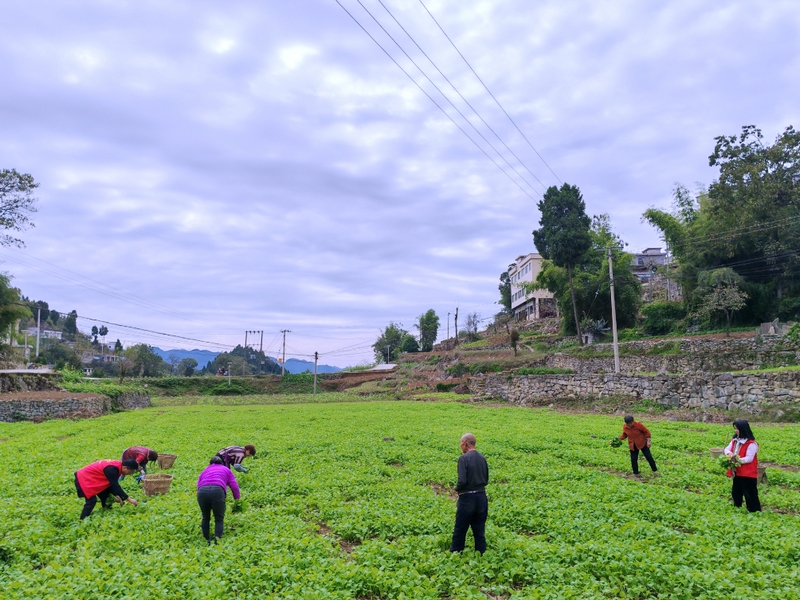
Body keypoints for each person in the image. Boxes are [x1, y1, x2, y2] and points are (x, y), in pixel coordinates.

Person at [450, 432, 489, 554]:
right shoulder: (482, 458)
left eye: (461, 444)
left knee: (460, 528)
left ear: (465, 444)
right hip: (482, 497)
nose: (461, 447)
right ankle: (481, 553)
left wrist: (456, 489)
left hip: (467, 498)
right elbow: (486, 479)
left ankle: (456, 553)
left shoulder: (463, 458)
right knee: (479, 529)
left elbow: (462, 480)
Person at [75, 459, 139, 520]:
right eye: (130, 472)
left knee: (106, 495)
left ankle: (107, 510)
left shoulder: (117, 466)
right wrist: (129, 499)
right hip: (84, 477)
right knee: (91, 500)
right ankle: (83, 519)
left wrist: (117, 495)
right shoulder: (112, 469)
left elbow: (111, 485)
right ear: (125, 468)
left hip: (94, 478)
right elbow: (115, 486)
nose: (130, 474)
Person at [196, 455, 241, 544]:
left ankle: (207, 540)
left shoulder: (205, 470)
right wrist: (237, 499)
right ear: (222, 463)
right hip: (217, 490)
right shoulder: (226, 470)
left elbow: (198, 485)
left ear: (210, 463)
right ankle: (217, 542)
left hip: (202, 491)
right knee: (219, 519)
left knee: (205, 517)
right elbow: (234, 486)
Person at [724, 419, 762, 512]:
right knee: (736, 492)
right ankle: (737, 508)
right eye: (734, 428)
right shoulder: (735, 440)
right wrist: (729, 454)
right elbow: (727, 449)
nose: (735, 431)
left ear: (743, 429)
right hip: (737, 472)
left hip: (748, 473)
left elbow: (749, 458)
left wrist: (736, 460)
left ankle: (754, 511)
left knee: (750, 493)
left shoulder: (752, 444)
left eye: (737, 429)